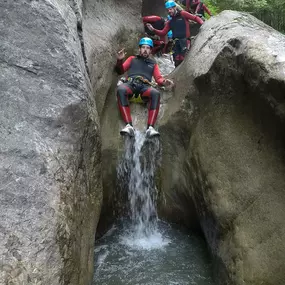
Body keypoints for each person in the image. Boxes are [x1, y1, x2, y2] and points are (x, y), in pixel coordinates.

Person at [115, 37, 174, 137]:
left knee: (155, 93)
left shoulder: (153, 64)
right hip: (131, 85)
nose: (145, 50)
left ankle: (150, 128)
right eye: (143, 47)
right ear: (139, 49)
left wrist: (164, 82)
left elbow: (158, 78)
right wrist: (119, 61)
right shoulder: (132, 59)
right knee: (121, 89)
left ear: (151, 50)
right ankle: (129, 126)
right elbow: (120, 71)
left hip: (144, 89)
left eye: (148, 48)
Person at [147, 0, 203, 67]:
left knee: (183, 59)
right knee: (176, 61)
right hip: (176, 43)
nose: (169, 11)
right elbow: (163, 33)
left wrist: (203, 24)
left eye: (170, 9)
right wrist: (153, 30)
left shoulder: (183, 14)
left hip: (184, 41)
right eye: (168, 10)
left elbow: (195, 18)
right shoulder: (170, 22)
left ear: (174, 8)